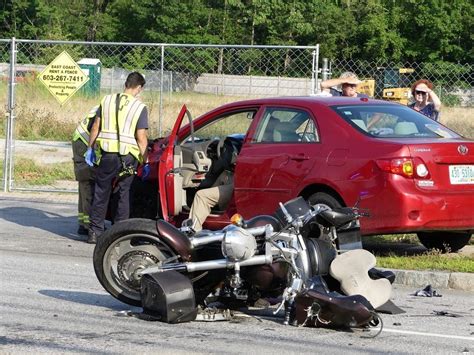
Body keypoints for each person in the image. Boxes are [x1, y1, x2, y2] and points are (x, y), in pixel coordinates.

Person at [85, 72, 149, 244]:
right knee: (123, 194)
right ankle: (119, 234)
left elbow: (95, 127)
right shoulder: (139, 107)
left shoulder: (106, 100)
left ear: (125, 84)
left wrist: (90, 148)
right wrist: (145, 160)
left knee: (101, 192)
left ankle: (94, 232)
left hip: (107, 154)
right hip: (128, 157)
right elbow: (141, 137)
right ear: (139, 88)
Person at [188, 135, 242, 232]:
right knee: (224, 174)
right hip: (240, 179)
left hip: (239, 186)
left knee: (201, 196)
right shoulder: (259, 144)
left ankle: (193, 231)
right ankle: (207, 206)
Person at [72, 105, 98, 236]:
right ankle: (88, 226)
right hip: (84, 143)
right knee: (88, 183)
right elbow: (94, 128)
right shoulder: (110, 108)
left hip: (81, 140)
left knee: (84, 185)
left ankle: (83, 224)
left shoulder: (110, 103)